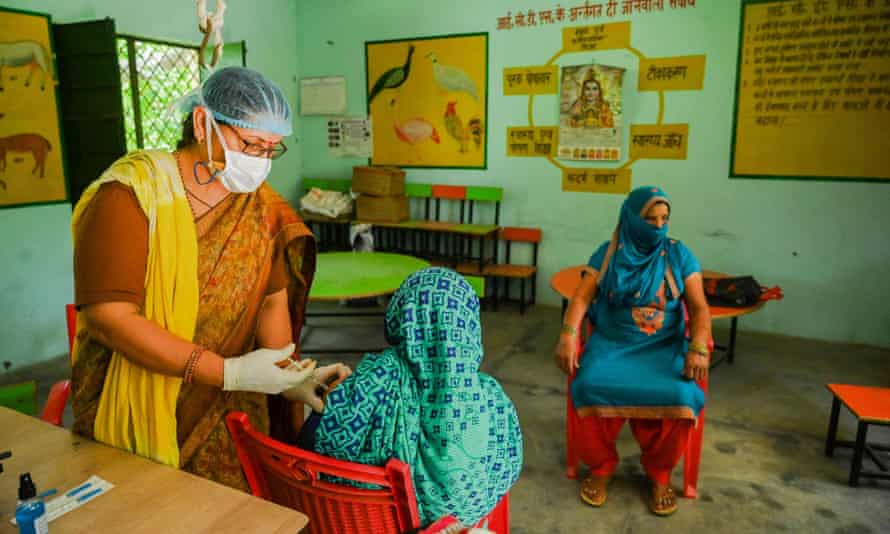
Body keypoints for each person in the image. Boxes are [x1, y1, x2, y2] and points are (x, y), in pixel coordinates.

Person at [70, 66, 348, 491]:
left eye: (272, 149)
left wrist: (291, 376)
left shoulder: (262, 210)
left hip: (229, 412)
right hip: (140, 404)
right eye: (251, 144)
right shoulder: (130, 195)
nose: (259, 160)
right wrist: (227, 372)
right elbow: (111, 317)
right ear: (203, 123)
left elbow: (270, 302)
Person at [297, 268, 523, 526]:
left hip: (374, 523)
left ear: (400, 316)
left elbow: (314, 447)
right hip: (464, 525)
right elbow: (508, 468)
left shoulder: (377, 378)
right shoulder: (495, 401)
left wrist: (335, 398)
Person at [553, 185, 711, 516]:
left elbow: (698, 308)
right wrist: (569, 333)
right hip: (613, 342)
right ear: (630, 217)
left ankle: (659, 473)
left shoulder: (678, 254)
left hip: (661, 346)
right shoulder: (608, 252)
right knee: (588, 384)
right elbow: (582, 297)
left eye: (664, 219)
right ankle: (601, 467)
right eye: (650, 218)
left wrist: (698, 345)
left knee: (682, 394)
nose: (658, 226)